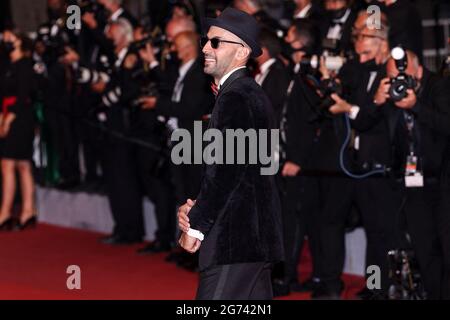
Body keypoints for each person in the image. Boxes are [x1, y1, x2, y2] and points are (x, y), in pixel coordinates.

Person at [177, 8, 284, 300]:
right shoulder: (246, 93)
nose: (205, 48)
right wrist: (198, 207)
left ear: (242, 52)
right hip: (252, 238)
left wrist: (196, 226)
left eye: (216, 42)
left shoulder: (236, 97)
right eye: (206, 41)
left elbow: (224, 174)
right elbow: (242, 172)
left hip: (235, 240)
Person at [0, 30, 37, 231]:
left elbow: (23, 96)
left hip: (20, 117)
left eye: (9, 39)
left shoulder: (25, 65)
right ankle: (28, 211)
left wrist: (8, 120)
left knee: (8, 164)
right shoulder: (7, 66)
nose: (6, 41)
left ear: (20, 42)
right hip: (8, 115)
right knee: (22, 165)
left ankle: (5, 213)